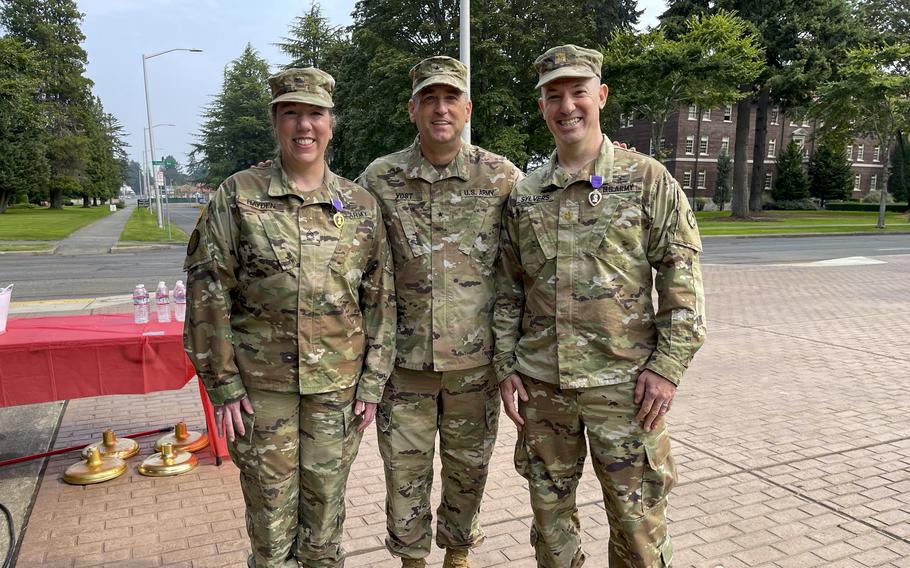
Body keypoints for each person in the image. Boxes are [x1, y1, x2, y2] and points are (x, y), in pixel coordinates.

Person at [494, 45, 706, 567]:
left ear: (601, 97)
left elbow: (682, 279)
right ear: (542, 107)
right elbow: (508, 290)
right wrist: (506, 366)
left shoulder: (648, 180)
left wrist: (667, 369)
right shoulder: (524, 196)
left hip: (627, 388)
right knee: (551, 531)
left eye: (578, 93)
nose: (567, 106)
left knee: (638, 533)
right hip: (545, 389)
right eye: (553, 96)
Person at [184, 67, 396, 568]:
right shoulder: (238, 195)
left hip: (336, 390)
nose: (305, 126)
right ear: (276, 122)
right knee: (271, 518)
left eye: (315, 114)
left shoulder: (360, 205)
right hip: (262, 392)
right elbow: (207, 291)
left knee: (325, 518)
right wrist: (223, 384)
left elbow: (380, 301)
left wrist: (372, 383)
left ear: (331, 123)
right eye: (291, 113)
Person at [357, 56, 522, 568]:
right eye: (430, 99)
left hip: (474, 366)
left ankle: (458, 555)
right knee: (403, 475)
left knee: (467, 469)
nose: (441, 108)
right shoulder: (380, 179)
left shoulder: (501, 177)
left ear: (467, 108)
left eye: (450, 98)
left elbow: (524, 260)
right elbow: (352, 259)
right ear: (413, 110)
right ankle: (410, 559)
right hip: (402, 366)